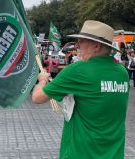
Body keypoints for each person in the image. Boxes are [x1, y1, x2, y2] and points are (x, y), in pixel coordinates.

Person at [32, 20, 129, 159]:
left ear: (96, 45)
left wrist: (42, 80)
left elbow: (37, 97)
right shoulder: (122, 72)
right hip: (113, 153)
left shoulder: (78, 70)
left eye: (82, 41)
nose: (77, 45)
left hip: (81, 153)